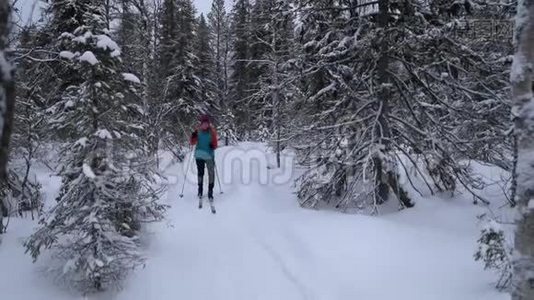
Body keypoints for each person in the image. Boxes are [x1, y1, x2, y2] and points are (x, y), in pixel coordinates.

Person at [190, 114, 218, 201]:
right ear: (201, 124)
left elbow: (215, 144)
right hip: (199, 155)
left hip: (209, 155)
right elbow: (192, 142)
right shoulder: (197, 131)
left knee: (211, 173)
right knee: (200, 173)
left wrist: (212, 145)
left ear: (208, 124)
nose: (205, 125)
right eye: (203, 123)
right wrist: (193, 136)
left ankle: (210, 191)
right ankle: (200, 190)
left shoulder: (212, 132)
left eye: (206, 123)